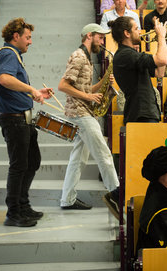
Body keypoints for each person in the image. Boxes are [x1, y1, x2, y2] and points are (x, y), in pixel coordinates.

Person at [0, 18, 54, 227]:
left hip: (22, 119)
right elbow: (4, 79)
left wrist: (35, 93)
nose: (30, 42)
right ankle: (14, 212)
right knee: (19, 166)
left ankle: (23, 205)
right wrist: (30, 90)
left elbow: (11, 84)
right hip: (14, 121)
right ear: (15, 37)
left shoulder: (12, 54)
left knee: (32, 162)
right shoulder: (8, 53)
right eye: (28, 38)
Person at [58, 23, 120, 217]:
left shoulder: (86, 58)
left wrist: (103, 83)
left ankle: (67, 199)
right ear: (89, 36)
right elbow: (63, 85)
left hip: (82, 111)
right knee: (104, 155)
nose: (102, 42)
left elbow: (85, 89)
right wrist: (88, 98)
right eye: (100, 38)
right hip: (80, 113)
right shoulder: (78, 57)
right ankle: (117, 196)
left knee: (77, 159)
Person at [110, 16, 167, 124]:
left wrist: (163, 42)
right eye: (136, 29)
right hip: (141, 114)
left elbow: (159, 73)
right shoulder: (126, 55)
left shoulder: (131, 54)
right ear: (127, 33)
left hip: (145, 112)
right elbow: (162, 60)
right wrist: (161, 37)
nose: (140, 31)